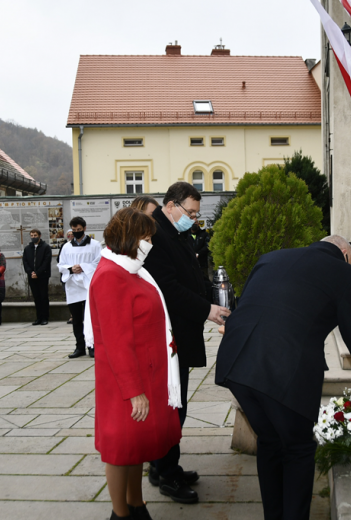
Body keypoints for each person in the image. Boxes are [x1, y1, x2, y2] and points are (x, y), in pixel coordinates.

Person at [215, 235, 351, 520]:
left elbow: (246, 304)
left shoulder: (271, 257)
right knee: (298, 448)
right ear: (345, 253)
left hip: (236, 362)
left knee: (270, 441)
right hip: (284, 369)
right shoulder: (346, 274)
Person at [89, 207, 182, 520]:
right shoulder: (111, 276)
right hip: (125, 380)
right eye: (145, 237)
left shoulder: (132, 268)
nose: (149, 243)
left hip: (146, 373)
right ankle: (120, 513)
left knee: (135, 448)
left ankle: (136, 503)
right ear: (129, 238)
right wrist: (134, 391)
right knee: (120, 450)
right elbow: (116, 342)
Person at [143, 181, 231, 503]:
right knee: (172, 407)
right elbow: (169, 289)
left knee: (175, 405)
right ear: (171, 205)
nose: (194, 219)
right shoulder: (157, 236)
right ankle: (168, 475)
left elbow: (193, 277)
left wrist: (217, 295)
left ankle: (162, 465)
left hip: (181, 333)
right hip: (169, 337)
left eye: (196, 214)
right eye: (190, 213)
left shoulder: (175, 233)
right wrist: (207, 310)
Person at [58, 217, 101, 358]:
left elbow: (99, 263)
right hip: (73, 287)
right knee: (76, 320)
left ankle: (92, 346)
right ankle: (79, 347)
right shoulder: (66, 247)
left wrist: (83, 267)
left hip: (89, 285)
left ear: (85, 228)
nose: (76, 232)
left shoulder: (95, 245)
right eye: (74, 230)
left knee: (91, 318)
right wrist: (71, 269)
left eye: (79, 230)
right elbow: (61, 264)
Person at [22, 229, 52, 326]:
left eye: (35, 235)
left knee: (43, 296)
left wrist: (38, 273)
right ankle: (38, 317)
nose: (33, 237)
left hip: (43, 275)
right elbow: (25, 261)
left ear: (39, 235)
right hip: (32, 276)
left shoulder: (46, 247)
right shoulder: (27, 248)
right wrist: (30, 272)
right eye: (32, 235)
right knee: (36, 297)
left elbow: (46, 262)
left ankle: (45, 317)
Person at [58, 230, 74, 324]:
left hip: (79, 273)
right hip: (67, 274)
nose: (70, 236)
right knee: (69, 296)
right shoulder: (65, 246)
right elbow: (60, 260)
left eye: (72, 234)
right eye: (69, 235)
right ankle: (72, 315)